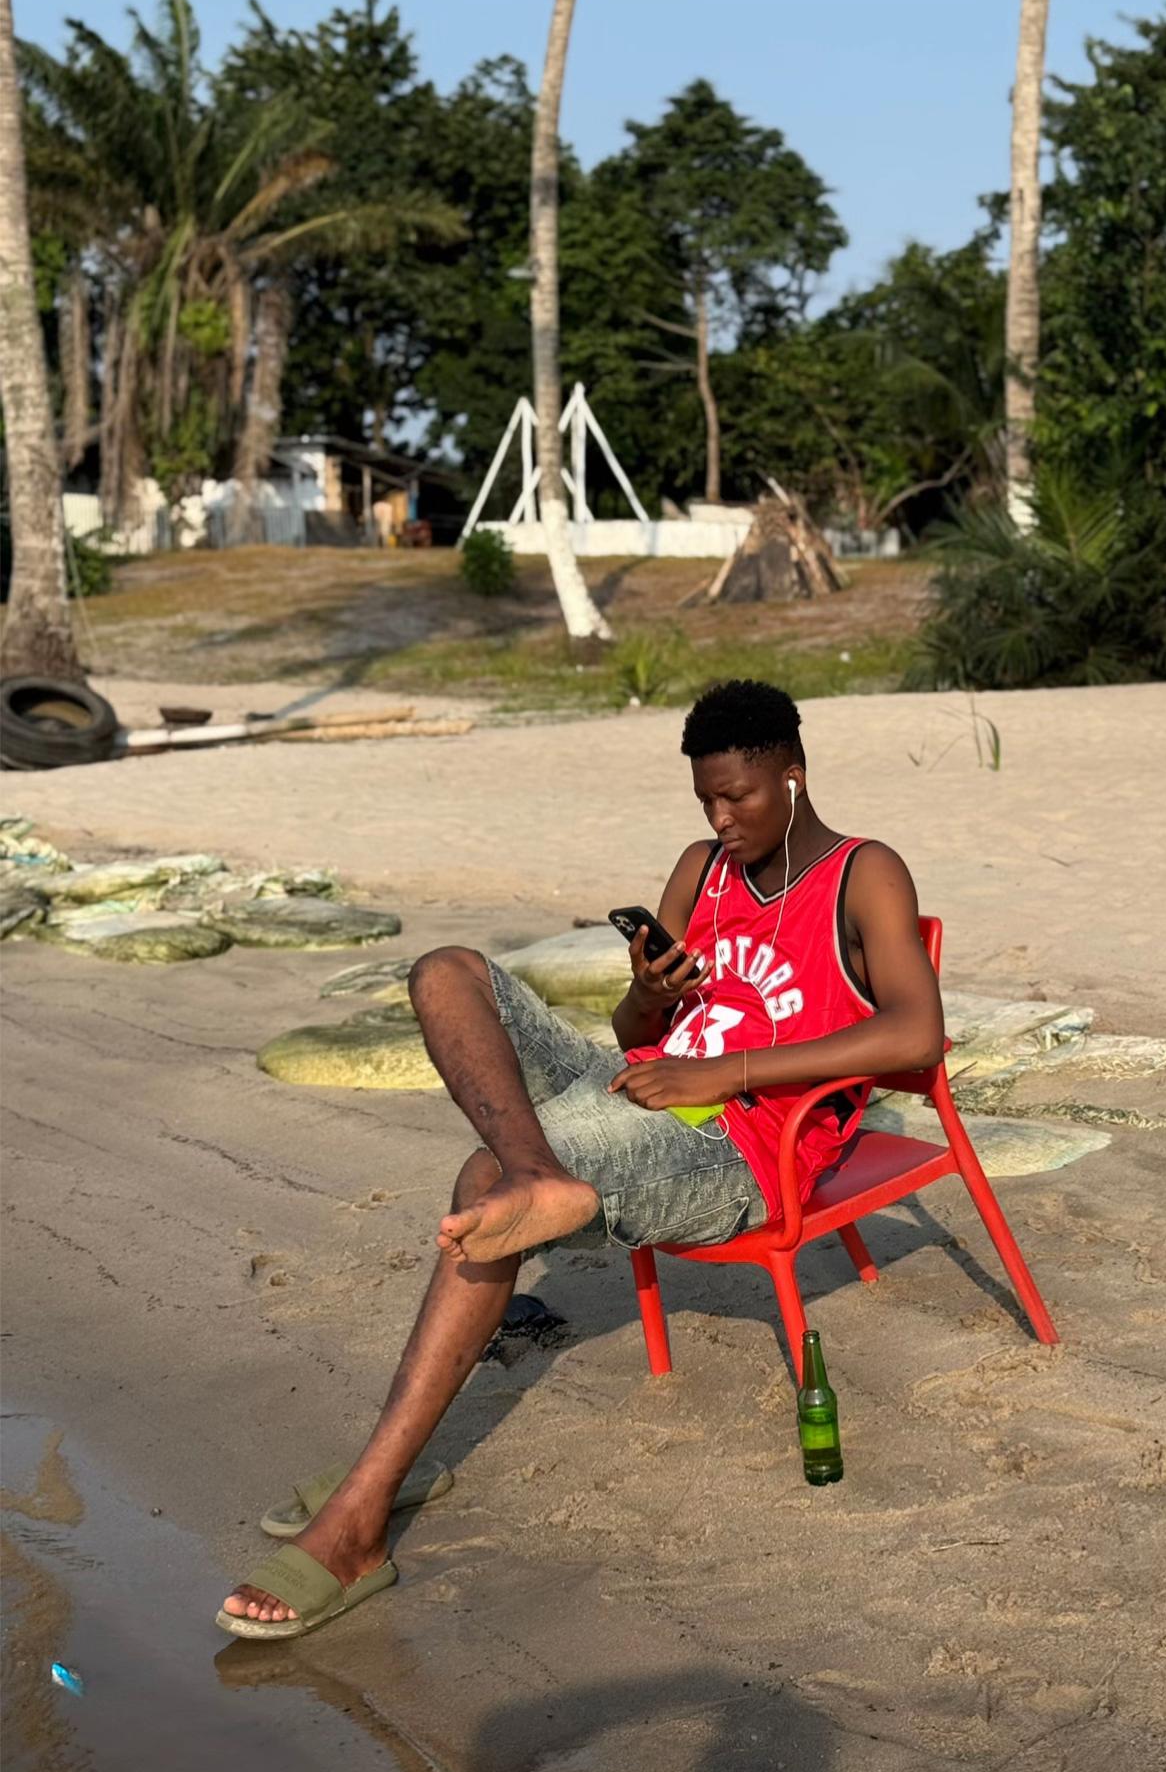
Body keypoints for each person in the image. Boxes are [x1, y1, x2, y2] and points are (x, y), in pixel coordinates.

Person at [218, 679, 945, 1637]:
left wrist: (724, 1071)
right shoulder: (702, 869)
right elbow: (634, 1034)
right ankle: (539, 1173)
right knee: (446, 971)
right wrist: (649, 994)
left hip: (739, 1145)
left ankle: (360, 1516)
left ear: (792, 778)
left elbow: (916, 1034)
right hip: (640, 1084)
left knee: (482, 1184)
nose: (720, 821)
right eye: (706, 801)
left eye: (738, 798)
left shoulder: (864, 872)